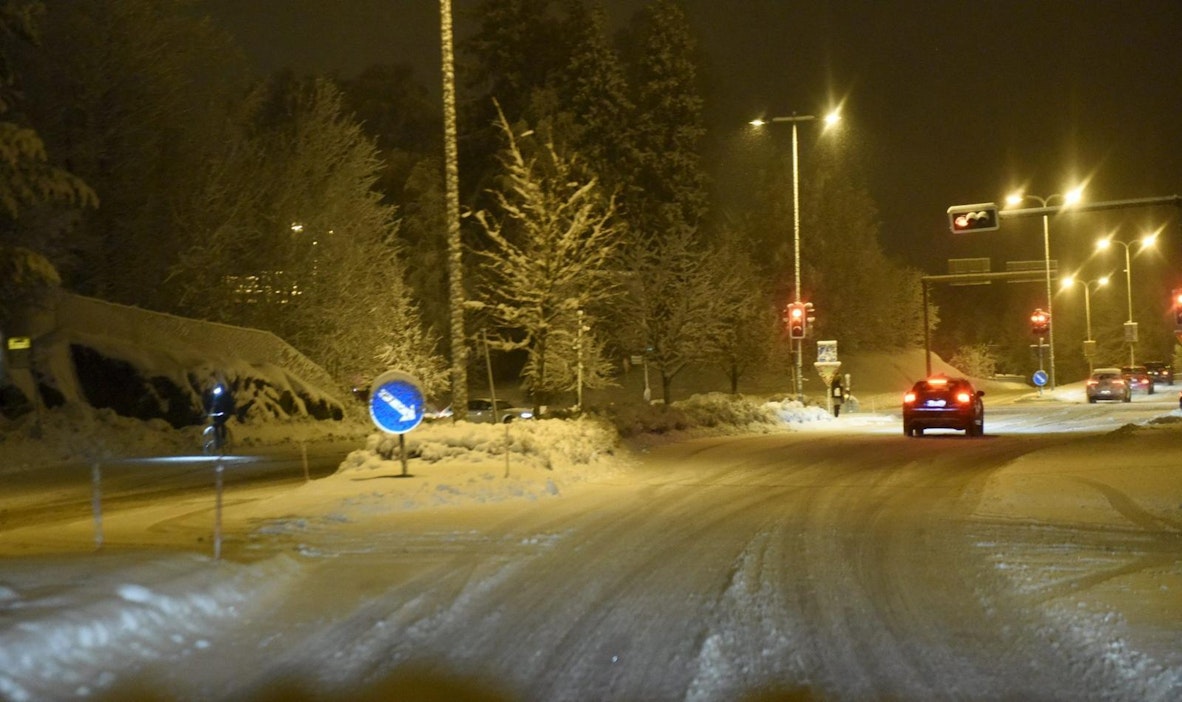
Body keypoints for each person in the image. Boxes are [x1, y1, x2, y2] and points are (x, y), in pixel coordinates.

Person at [202, 379, 236, 449]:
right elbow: (210, 403)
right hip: (217, 413)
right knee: (215, 425)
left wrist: (228, 412)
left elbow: (230, 404)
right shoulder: (215, 396)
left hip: (225, 413)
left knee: (220, 424)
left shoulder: (226, 396)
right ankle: (217, 440)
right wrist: (207, 412)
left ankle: (223, 439)